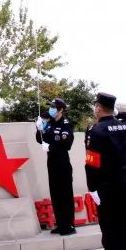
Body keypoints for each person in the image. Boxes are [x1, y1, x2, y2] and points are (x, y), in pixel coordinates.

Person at [85, 92, 126, 250]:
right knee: (124, 224)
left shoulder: (96, 131)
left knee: (109, 228)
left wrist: (91, 187)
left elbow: (92, 162)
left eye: (95, 106)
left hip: (107, 186)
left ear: (98, 108)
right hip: (125, 181)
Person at [36, 98, 75, 235]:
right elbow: (41, 139)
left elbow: (67, 144)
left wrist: (51, 147)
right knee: (56, 193)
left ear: (61, 110)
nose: (51, 109)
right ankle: (60, 223)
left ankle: (69, 225)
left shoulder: (66, 124)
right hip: (51, 162)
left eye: (54, 107)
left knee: (65, 194)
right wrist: (39, 129)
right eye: (50, 106)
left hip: (62, 162)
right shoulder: (50, 123)